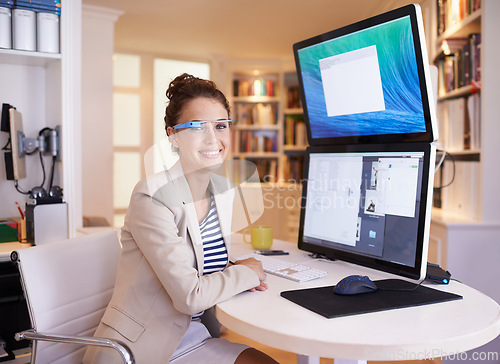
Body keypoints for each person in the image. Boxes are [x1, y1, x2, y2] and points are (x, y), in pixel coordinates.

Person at [83, 74, 277, 363]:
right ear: (173, 136)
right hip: (139, 349)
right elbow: (190, 297)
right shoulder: (151, 196)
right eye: (198, 127)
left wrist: (236, 268)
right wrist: (247, 272)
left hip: (194, 336)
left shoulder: (221, 192)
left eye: (220, 126)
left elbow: (198, 260)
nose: (213, 138)